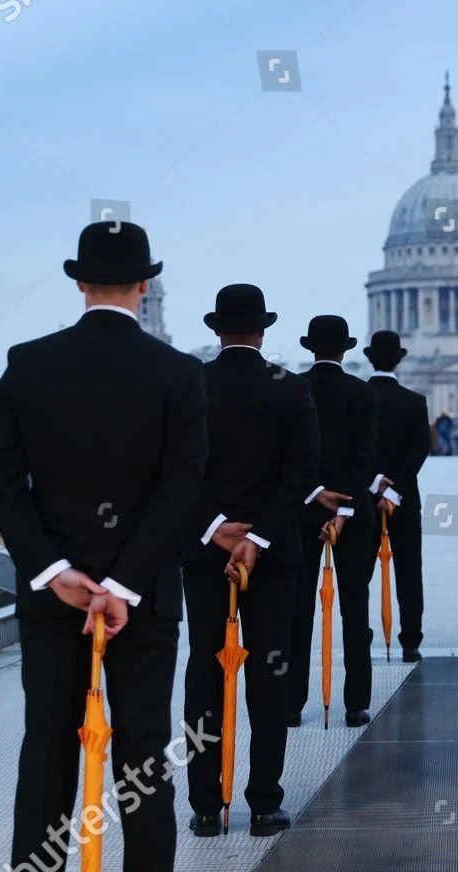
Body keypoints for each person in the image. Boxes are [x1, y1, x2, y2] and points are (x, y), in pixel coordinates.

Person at [0, 221, 204, 872]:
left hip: (54, 603)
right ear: (145, 287)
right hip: (140, 605)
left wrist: (56, 571)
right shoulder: (178, 374)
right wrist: (125, 584)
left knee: (46, 754)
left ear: (79, 283)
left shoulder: (28, 365)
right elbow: (182, 489)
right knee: (143, 761)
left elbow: (0, 484)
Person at [183, 284, 318, 839]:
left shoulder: (191, 385)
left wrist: (217, 530)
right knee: (269, 672)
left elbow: (173, 471)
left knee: (204, 671)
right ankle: (263, 803)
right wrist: (258, 536)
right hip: (275, 554)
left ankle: (205, 807)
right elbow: (304, 472)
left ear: (217, 330)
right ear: (264, 330)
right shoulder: (290, 388)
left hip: (204, 552)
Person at [287, 315, 378, 727]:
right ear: (346, 349)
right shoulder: (363, 393)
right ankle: (356, 703)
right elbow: (364, 459)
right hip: (355, 514)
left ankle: (291, 703)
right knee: (355, 610)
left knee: (297, 611)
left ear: (310, 348)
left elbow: (290, 458)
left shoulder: (293, 390)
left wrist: (313, 497)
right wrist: (344, 510)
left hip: (301, 513)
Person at [365, 331, 430, 662]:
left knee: (358, 573)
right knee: (409, 570)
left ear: (368, 357)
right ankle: (410, 641)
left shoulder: (358, 397)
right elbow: (420, 450)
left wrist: (376, 482)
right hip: (404, 498)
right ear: (400, 360)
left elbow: (357, 450)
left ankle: (360, 635)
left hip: (363, 497)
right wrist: (395, 488)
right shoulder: (415, 401)